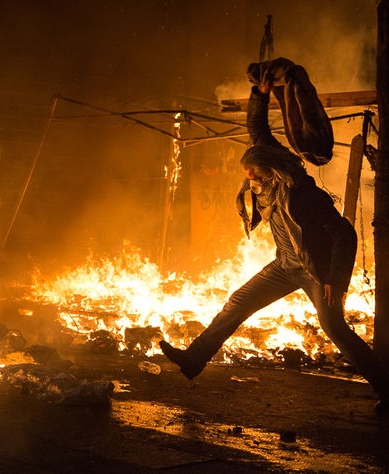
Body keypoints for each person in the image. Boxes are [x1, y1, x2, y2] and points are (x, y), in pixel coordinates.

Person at [159, 80, 389, 416]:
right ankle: (194, 358)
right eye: (247, 171)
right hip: (285, 265)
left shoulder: (302, 194)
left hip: (315, 271)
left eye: (253, 171)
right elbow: (257, 128)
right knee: (239, 301)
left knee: (334, 328)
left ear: (273, 171)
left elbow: (344, 234)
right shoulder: (263, 173)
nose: (248, 176)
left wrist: (334, 280)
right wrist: (260, 93)